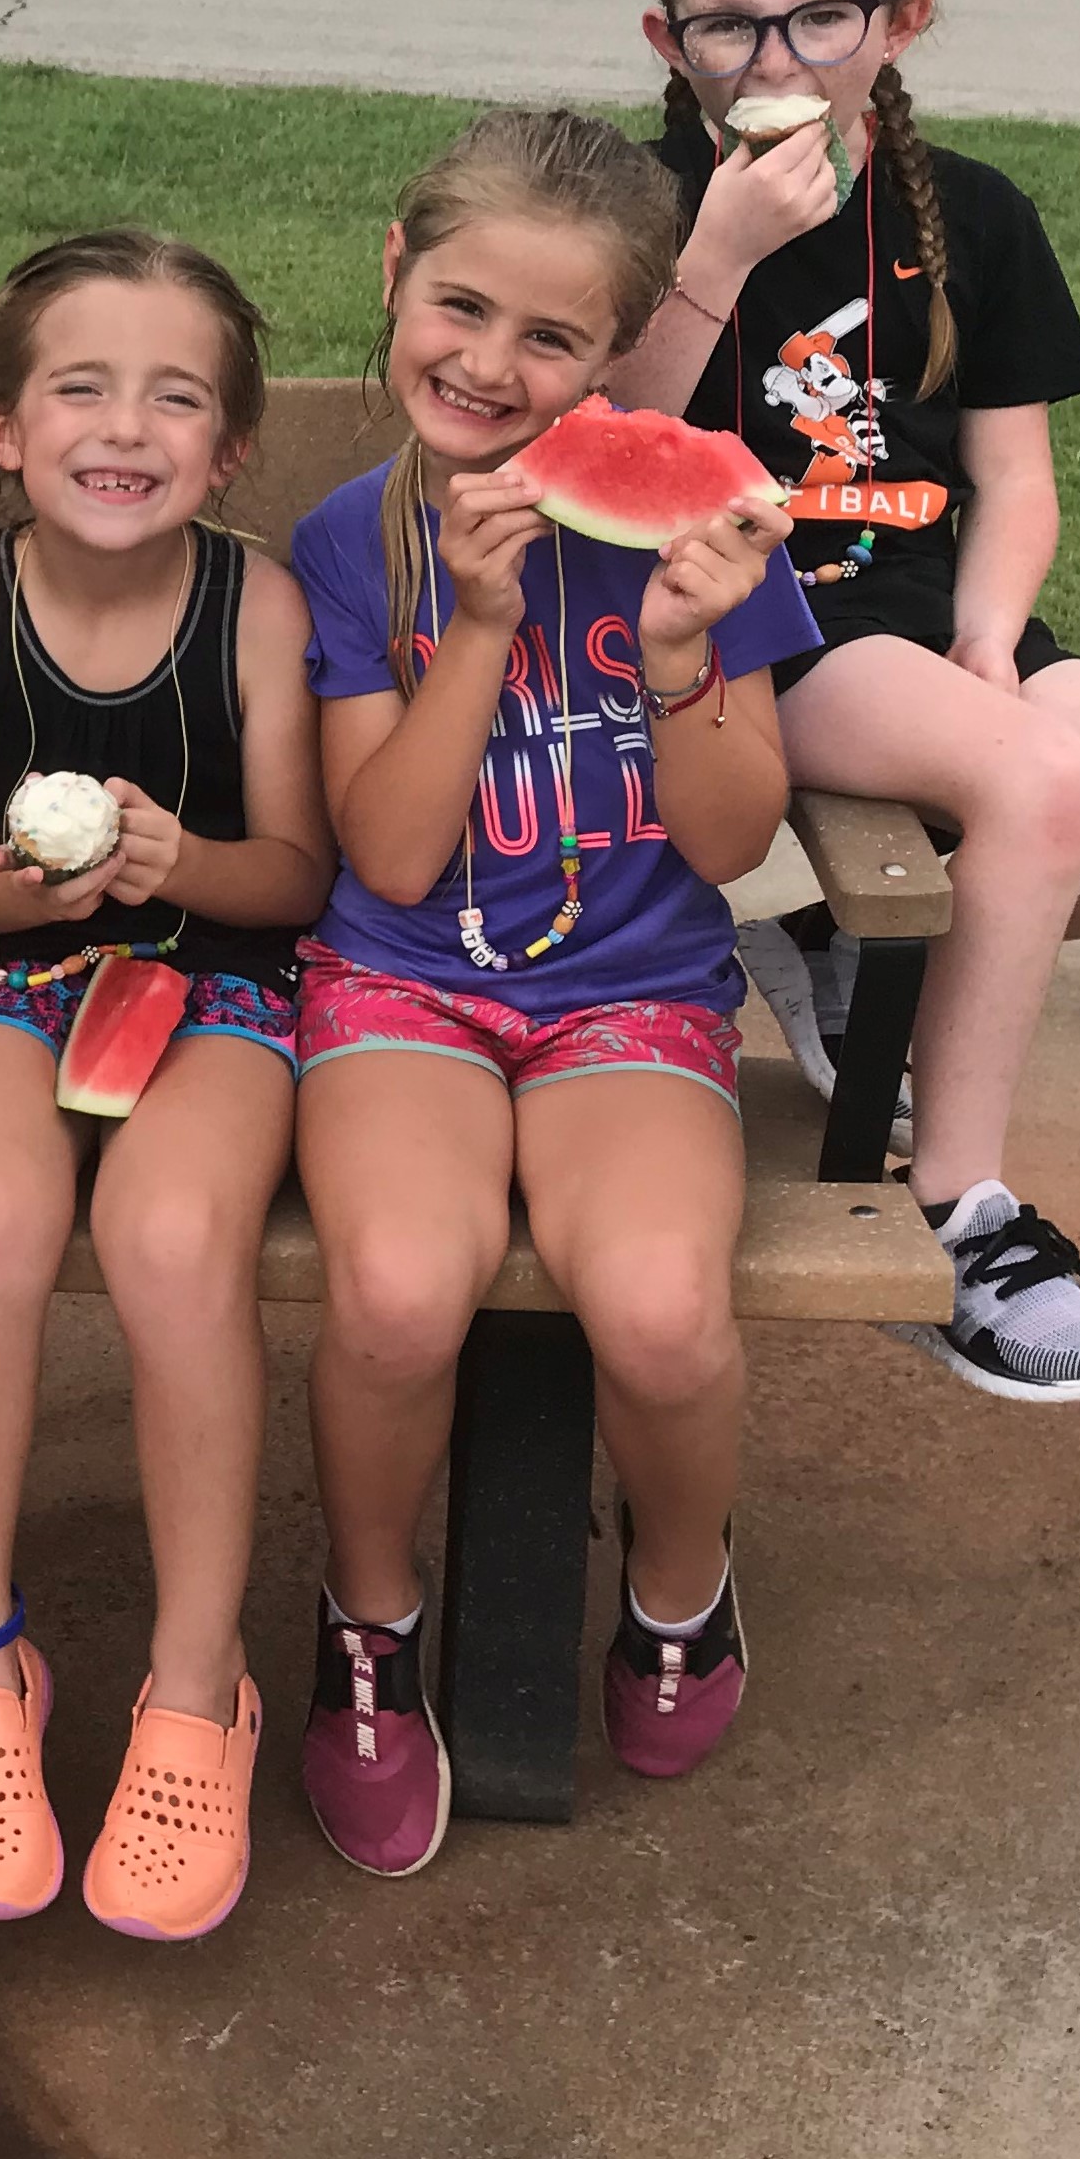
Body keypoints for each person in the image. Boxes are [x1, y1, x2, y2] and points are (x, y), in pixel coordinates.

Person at [607, 0, 1080, 1402]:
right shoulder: (631, 201)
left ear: (899, 20)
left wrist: (991, 634)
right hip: (743, 626)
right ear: (667, 37)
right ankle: (954, 1218)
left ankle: (854, 950)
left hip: (924, 620)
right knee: (1041, 781)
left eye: (818, 18)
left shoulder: (967, 215)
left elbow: (1013, 477)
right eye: (726, 25)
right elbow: (606, 446)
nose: (770, 57)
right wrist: (717, 248)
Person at [290, 108, 817, 1878]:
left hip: (631, 994)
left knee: (662, 1313)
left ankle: (679, 1586)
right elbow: (383, 850)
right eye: (459, 307)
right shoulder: (345, 543)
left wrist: (678, 655)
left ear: (617, 355)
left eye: (552, 339)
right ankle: (368, 1619)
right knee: (390, 1294)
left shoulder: (714, 527)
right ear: (392, 274)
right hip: (405, 989)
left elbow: (733, 844)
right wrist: (484, 626)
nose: (490, 365)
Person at [0, 230, 332, 1940]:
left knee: (163, 1239)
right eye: (79, 386)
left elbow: (292, 875)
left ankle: (190, 1680)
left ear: (224, 451)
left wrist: (176, 858)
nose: (122, 427)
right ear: (1, 426)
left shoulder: (255, 604)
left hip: (225, 984)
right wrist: (23, 887)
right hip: (15, 977)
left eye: (175, 397)